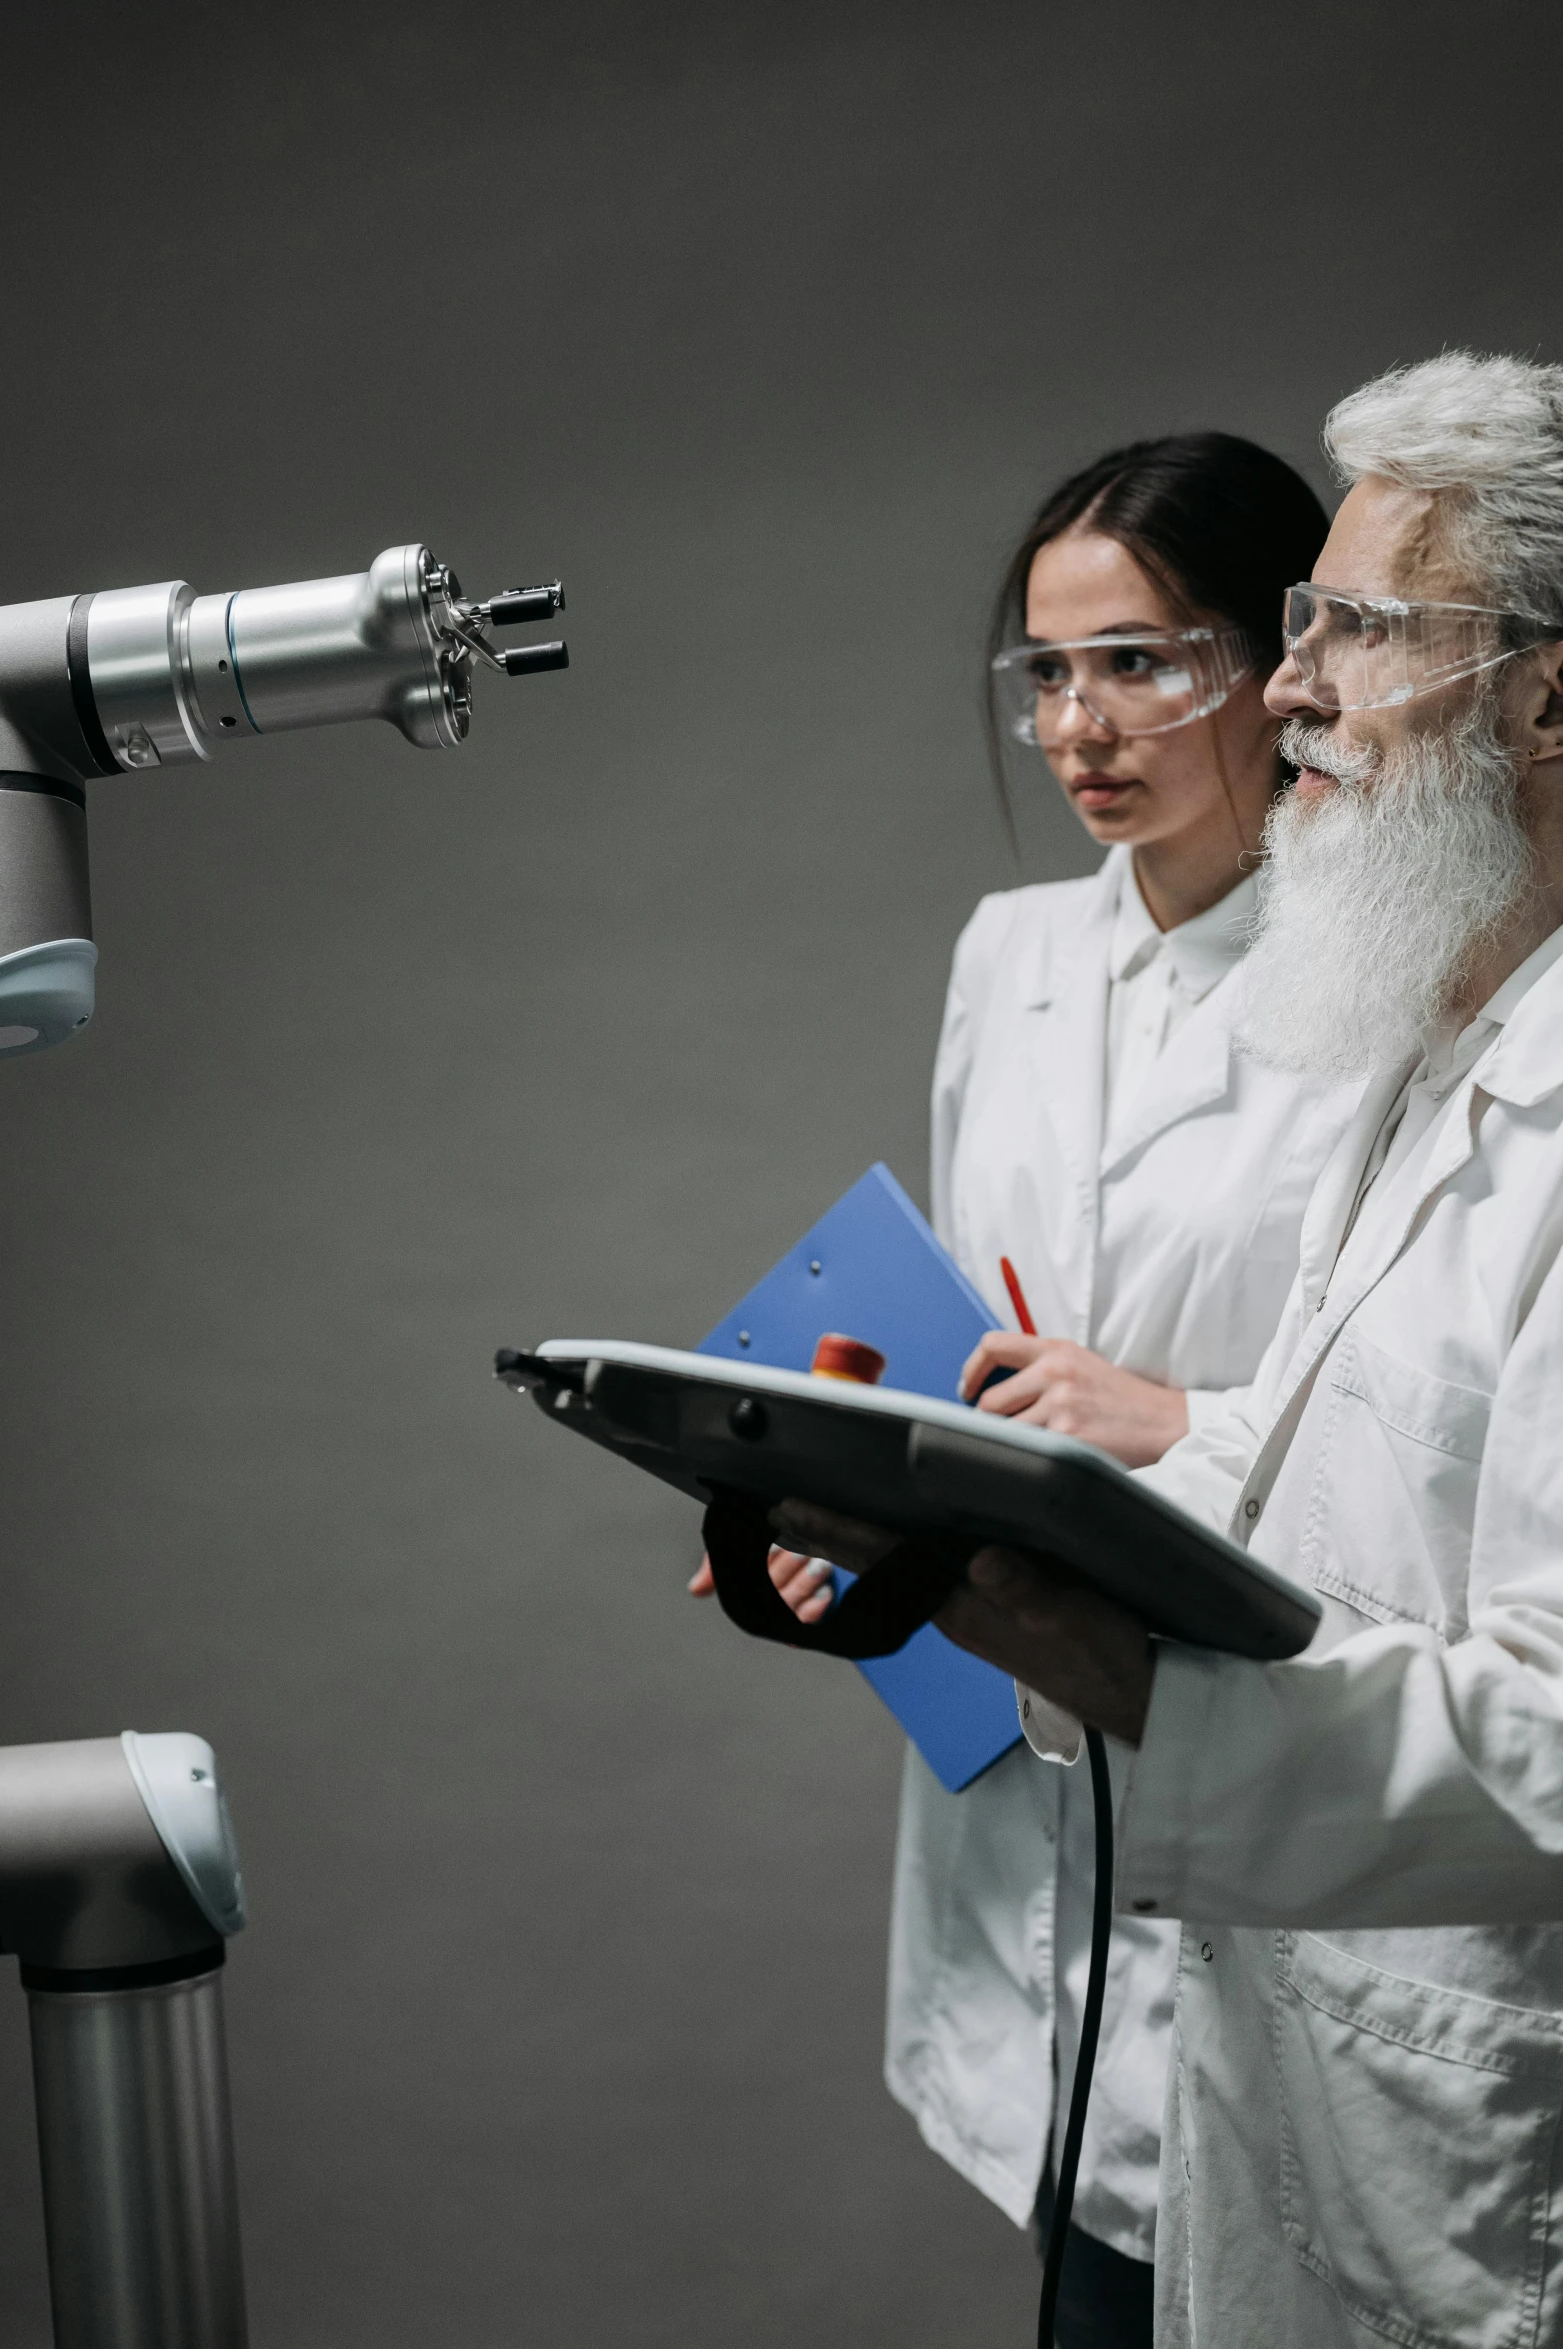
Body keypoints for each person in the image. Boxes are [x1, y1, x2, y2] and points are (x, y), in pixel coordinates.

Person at [888, 350, 1563, 2345]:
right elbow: (1357, 1461)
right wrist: (915, 1507)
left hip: (1431, 2090)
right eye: (1300, 631)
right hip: (1244, 2029)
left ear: (1547, 689)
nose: (1291, 687)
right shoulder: (1453, 1033)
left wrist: (1131, 1668)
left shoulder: (1410, 1018)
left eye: (1356, 628)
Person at [699, 434, 1361, 2344]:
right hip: (1023, 1743)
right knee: (1089, 2233)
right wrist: (843, 1507)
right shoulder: (1010, 956)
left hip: (1272, 1710)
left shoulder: (1403, 974)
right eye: (1050, 672)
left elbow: (1424, 1420)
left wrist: (1170, 1421)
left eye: (1143, 661)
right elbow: (961, 1339)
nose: (1082, 723)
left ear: (1288, 657)